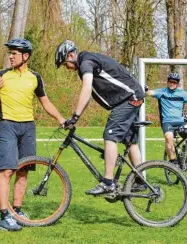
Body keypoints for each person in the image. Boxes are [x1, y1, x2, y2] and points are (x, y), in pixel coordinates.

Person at [0, 38, 65, 231]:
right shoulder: (2, 75)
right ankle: (5, 216)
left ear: (25, 56)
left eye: (14, 53)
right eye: (10, 53)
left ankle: (17, 211)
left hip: (28, 127)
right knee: (6, 170)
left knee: (23, 170)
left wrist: (61, 119)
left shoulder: (35, 78)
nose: (11, 57)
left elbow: (45, 102)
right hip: (8, 126)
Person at [55, 40, 145, 195]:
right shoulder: (88, 61)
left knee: (109, 136)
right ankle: (140, 181)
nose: (67, 68)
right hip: (131, 96)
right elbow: (89, 96)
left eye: (65, 64)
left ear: (70, 55)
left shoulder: (86, 62)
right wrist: (77, 116)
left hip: (129, 98)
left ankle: (108, 182)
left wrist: (75, 116)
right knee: (130, 142)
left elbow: (86, 89)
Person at [145, 73, 187, 163]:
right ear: (167, 82)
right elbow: (150, 93)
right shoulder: (162, 92)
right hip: (167, 122)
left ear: (177, 84)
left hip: (181, 122)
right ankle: (173, 162)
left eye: (174, 82)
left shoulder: (182, 93)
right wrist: (146, 90)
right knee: (169, 138)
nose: (172, 84)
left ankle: (186, 156)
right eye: (170, 82)